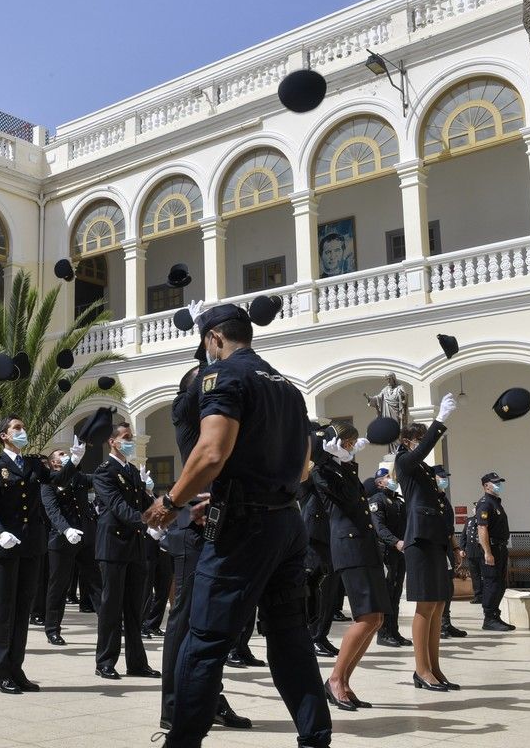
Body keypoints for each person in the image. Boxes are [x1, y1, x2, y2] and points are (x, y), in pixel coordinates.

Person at [144, 303, 330, 748]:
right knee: (290, 639)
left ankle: (182, 740)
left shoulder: (223, 377)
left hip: (244, 530)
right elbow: (303, 468)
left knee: (204, 639)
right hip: (286, 524)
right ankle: (315, 738)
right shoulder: (287, 387)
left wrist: (171, 502)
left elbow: (211, 453)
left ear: (213, 339)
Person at [159, 365, 249, 732]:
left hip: (221, 528)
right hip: (192, 533)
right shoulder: (186, 418)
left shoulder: (222, 420)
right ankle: (173, 707)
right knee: (183, 623)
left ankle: (210, 698)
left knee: (212, 623)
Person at [310, 425, 388, 711]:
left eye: (354, 443)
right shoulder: (323, 471)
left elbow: (356, 494)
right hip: (350, 547)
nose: (352, 446)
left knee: (376, 619)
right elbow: (346, 498)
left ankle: (343, 681)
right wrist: (340, 462)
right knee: (366, 618)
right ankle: (334, 680)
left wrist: (348, 461)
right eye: (347, 442)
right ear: (333, 443)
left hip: (364, 545)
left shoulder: (342, 467)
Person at [0, 415, 49, 694]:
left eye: (23, 426)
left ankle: (16, 670)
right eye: (17, 428)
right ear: (4, 436)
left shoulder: (31, 464)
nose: (23, 431)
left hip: (30, 545)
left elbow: (55, 479)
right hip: (4, 547)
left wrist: (75, 461)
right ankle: (1, 674)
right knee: (4, 612)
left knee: (22, 611)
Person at [395, 394, 459, 692]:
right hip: (418, 539)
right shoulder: (404, 461)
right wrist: (440, 420)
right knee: (424, 605)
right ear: (408, 440)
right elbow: (420, 452)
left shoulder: (424, 471)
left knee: (436, 604)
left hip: (433, 538)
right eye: (418, 438)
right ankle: (421, 670)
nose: (423, 443)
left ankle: (434, 667)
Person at [92, 422, 161, 682]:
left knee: (134, 608)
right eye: (126, 438)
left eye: (131, 438)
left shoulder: (132, 471)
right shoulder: (104, 472)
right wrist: (146, 521)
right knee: (111, 607)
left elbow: (143, 502)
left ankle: (137, 663)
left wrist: (159, 510)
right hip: (113, 546)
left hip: (134, 546)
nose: (130, 442)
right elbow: (118, 506)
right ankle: (105, 661)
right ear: (113, 442)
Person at [41, 440, 97, 645]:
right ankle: (52, 629)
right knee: (59, 585)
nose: (66, 456)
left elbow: (100, 479)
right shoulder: (48, 482)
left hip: (86, 537)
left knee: (96, 583)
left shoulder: (79, 477)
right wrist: (65, 529)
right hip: (62, 540)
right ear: (54, 464)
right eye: (62, 455)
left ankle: (112, 624)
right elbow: (52, 510)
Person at [369, 468, 409, 647]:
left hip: (400, 553)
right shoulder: (377, 501)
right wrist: (396, 542)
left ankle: (394, 631)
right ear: (379, 483)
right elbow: (380, 528)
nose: (391, 479)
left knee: (396, 591)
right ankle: (383, 633)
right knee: (387, 593)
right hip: (387, 552)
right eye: (386, 477)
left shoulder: (398, 501)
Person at [301, 465, 338, 657]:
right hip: (314, 538)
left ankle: (321, 635)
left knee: (330, 591)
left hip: (331, 535)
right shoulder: (310, 469)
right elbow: (301, 483)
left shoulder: (332, 471)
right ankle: (311, 636)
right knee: (316, 590)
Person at [475, 472, 514, 631]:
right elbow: (482, 528)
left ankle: (495, 615)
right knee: (492, 582)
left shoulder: (495, 502)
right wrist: (487, 552)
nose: (499, 485)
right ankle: (489, 617)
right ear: (486, 486)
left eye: (499, 482)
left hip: (500, 547)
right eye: (495, 482)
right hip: (491, 548)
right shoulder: (485, 503)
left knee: (499, 583)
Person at [433, 466, 466, 639]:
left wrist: (456, 548)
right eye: (441, 477)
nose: (444, 479)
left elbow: (450, 529)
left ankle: (446, 622)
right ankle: (437, 624)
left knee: (448, 585)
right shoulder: (428, 498)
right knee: (438, 586)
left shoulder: (444, 499)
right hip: (435, 547)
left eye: (445, 477)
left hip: (446, 546)